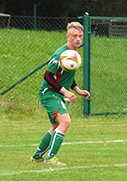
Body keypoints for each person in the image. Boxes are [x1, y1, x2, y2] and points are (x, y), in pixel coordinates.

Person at [30, 21, 91, 165]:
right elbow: (48, 76)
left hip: (56, 93)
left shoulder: (75, 53)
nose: (78, 39)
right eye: (74, 36)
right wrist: (65, 92)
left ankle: (37, 156)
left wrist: (77, 90)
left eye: (80, 36)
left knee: (56, 127)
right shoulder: (60, 55)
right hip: (49, 93)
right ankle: (50, 158)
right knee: (65, 121)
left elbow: (67, 75)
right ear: (67, 37)